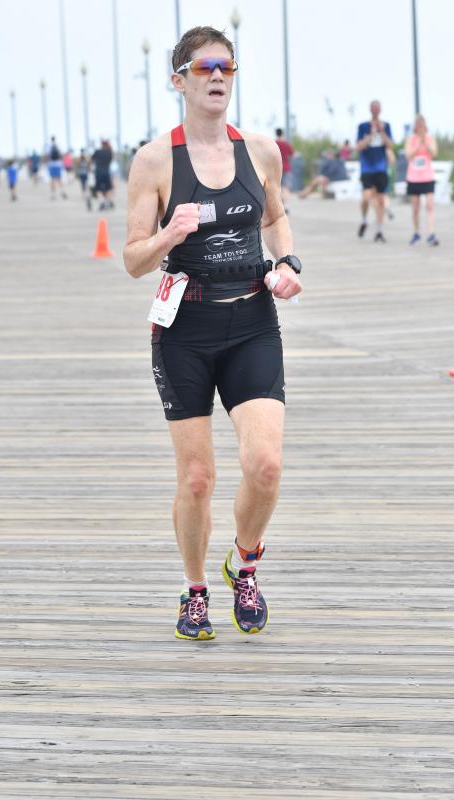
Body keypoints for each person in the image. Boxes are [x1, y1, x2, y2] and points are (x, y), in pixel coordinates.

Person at [124, 26, 302, 641]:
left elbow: (276, 218)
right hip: (186, 329)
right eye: (203, 68)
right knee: (198, 477)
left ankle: (244, 563)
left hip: (252, 320)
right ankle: (196, 589)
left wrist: (287, 264)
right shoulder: (154, 161)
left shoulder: (260, 151)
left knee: (267, 464)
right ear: (179, 80)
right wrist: (169, 236)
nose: (217, 77)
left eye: (225, 66)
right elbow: (132, 259)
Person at [356, 100, 393, 242]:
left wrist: (382, 131)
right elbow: (359, 146)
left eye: (378, 108)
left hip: (381, 168)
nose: (376, 111)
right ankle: (364, 219)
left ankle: (379, 231)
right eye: (374, 108)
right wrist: (371, 134)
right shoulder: (363, 126)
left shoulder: (386, 126)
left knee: (380, 200)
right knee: (366, 197)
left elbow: (390, 145)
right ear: (370, 110)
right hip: (367, 168)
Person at [405, 115, 439, 246]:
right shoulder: (410, 139)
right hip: (413, 178)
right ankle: (416, 233)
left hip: (427, 177)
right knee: (415, 208)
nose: (420, 127)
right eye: (418, 124)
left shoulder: (430, 138)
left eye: (422, 124)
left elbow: (434, 153)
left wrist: (426, 143)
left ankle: (431, 234)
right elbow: (408, 154)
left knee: (429, 205)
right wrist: (418, 145)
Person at [91, 139, 115, 210]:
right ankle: (108, 202)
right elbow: (112, 159)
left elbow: (91, 159)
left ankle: (101, 201)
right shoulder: (109, 152)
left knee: (98, 189)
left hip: (98, 172)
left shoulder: (97, 151)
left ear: (101, 144)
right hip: (107, 172)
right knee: (108, 188)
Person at [275, 128, 294, 212]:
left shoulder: (274, 143)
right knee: (286, 187)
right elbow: (292, 156)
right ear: (282, 133)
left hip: (276, 168)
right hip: (286, 167)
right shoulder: (286, 144)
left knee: (276, 187)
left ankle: (279, 206)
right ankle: (286, 206)